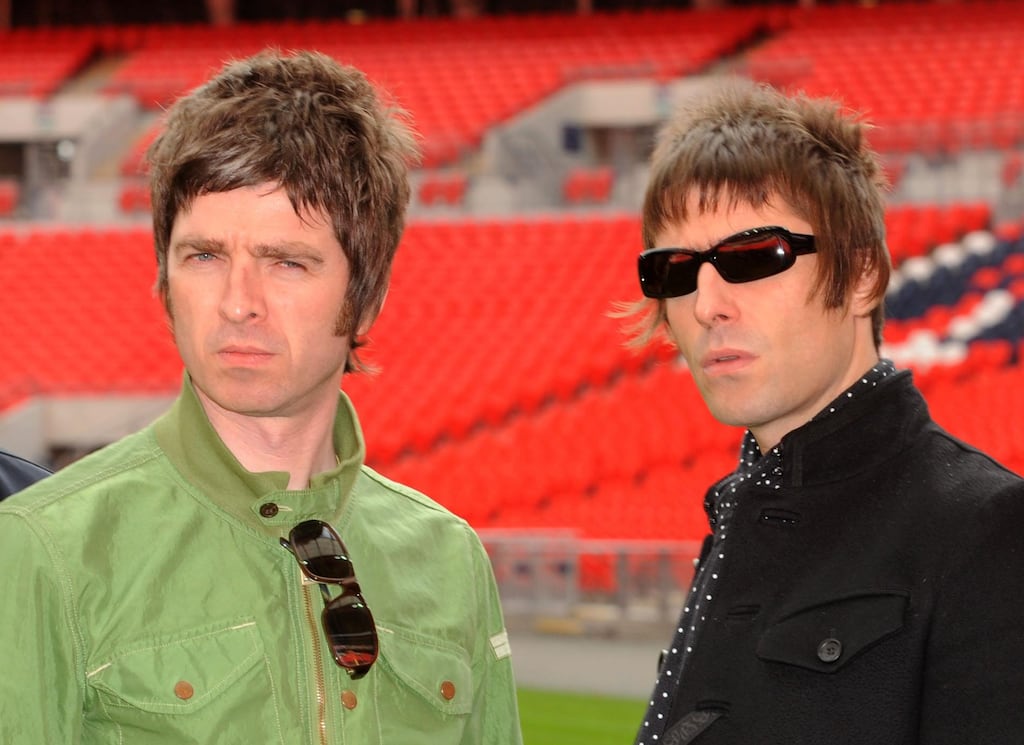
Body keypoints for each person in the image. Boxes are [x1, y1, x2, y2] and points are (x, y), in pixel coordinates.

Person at [0, 50, 522, 744]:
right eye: (205, 256)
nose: (238, 303)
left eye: (286, 262)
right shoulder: (46, 547)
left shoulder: (450, 557)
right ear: (164, 284)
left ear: (365, 299)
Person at [625, 77, 1024, 745]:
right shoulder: (736, 515)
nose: (706, 303)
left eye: (752, 257)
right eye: (675, 270)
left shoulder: (984, 527)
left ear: (864, 272)